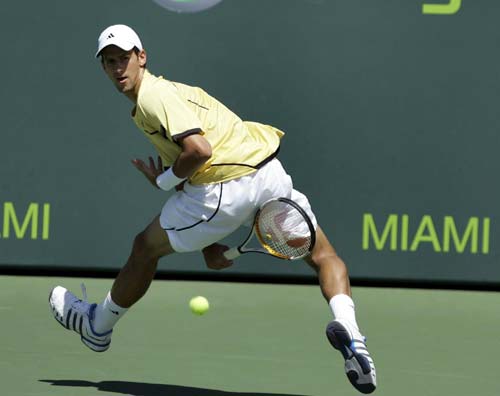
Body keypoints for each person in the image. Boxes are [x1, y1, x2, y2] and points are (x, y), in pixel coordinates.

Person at [48, 24, 377, 394]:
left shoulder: (153, 98)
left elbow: (200, 152)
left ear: (142, 57)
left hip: (226, 187)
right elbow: (200, 159)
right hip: (267, 172)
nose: (117, 68)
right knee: (323, 256)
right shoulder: (174, 92)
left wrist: (164, 182)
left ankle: (98, 326)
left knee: (145, 248)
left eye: (124, 58)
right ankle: (352, 332)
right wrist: (207, 244)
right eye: (109, 62)